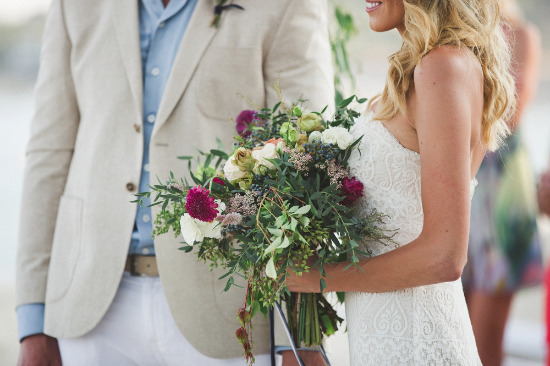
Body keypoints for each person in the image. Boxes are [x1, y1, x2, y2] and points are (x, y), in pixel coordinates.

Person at [15, 0, 334, 365]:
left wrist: (299, 339)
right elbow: (49, 153)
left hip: (230, 313)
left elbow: (308, 160)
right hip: (87, 309)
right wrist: (33, 318)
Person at [287, 0, 516, 364]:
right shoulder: (421, 68)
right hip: (381, 337)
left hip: (417, 339)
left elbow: (445, 255)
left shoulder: (441, 67)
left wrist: (319, 277)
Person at [461, 0, 543, 364]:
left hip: (502, 191)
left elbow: (511, 113)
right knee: (454, 337)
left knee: (485, 344)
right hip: (461, 186)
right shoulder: (458, 37)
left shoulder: (522, 34)